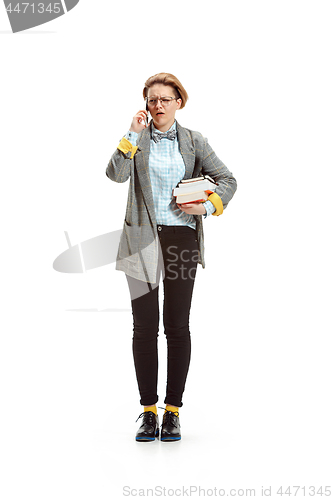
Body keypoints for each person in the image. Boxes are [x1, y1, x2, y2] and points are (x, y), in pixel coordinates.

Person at [106, 73, 237, 441]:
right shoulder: (138, 140)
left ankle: (172, 412)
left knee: (176, 326)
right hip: (141, 240)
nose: (158, 105)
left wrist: (208, 206)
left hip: (182, 239)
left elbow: (228, 180)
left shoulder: (195, 141)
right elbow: (114, 174)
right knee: (144, 327)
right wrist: (131, 134)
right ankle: (148, 411)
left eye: (165, 98)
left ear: (179, 101)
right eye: (152, 99)